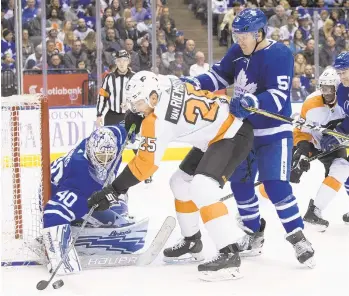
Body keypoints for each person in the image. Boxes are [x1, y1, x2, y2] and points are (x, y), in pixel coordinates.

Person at [87, 71, 254, 281]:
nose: (135, 108)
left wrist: (114, 190)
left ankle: (229, 254)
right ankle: (193, 241)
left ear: (154, 98)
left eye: (138, 103)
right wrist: (139, 113)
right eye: (132, 103)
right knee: (180, 182)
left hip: (233, 133)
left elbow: (145, 166)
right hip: (215, 134)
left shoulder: (157, 121)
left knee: (202, 188)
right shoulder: (165, 82)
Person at [181, 8, 315, 267]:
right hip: (243, 133)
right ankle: (254, 235)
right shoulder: (238, 52)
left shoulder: (279, 54)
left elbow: (278, 96)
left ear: (259, 33)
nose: (238, 40)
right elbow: (219, 76)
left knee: (276, 186)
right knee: (240, 186)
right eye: (236, 35)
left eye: (243, 36)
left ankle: (298, 237)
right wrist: (192, 84)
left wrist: (252, 100)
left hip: (274, 133)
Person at [42, 125, 148, 275]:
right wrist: (60, 257)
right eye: (100, 156)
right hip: (57, 192)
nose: (105, 161)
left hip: (79, 185)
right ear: (91, 151)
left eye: (109, 156)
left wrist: (134, 126)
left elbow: (123, 127)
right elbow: (53, 213)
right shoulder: (79, 174)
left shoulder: (114, 139)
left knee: (119, 203)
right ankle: (73, 222)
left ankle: (83, 218)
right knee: (106, 215)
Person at [290, 67, 348, 231]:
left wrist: (338, 137)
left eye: (331, 88)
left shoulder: (345, 101)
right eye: (323, 87)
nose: (326, 92)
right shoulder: (311, 103)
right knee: (288, 172)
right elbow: (300, 131)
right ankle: (261, 198)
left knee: (342, 169)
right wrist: (302, 151)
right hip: (312, 142)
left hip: (336, 145)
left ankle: (314, 212)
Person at [324, 52, 349, 224]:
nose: (342, 76)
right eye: (339, 73)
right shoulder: (341, 89)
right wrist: (337, 131)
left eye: (345, 71)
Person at [96, 50, 135, 127]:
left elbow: (140, 98)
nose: (122, 63)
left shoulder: (135, 77)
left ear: (128, 61)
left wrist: (131, 106)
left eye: (124, 60)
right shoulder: (109, 78)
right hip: (112, 117)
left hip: (131, 116)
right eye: (119, 60)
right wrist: (99, 115)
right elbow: (102, 96)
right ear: (115, 62)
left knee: (130, 139)